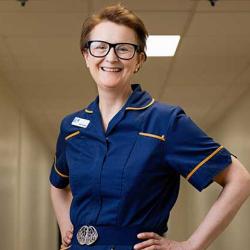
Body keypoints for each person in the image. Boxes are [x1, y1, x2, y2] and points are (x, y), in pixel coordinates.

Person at [49, 4, 250, 250]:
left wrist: (191, 245)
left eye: (123, 49)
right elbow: (58, 184)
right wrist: (65, 225)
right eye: (100, 47)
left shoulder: (166, 121)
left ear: (139, 60)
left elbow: (239, 179)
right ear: (86, 55)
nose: (110, 57)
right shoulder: (72, 128)